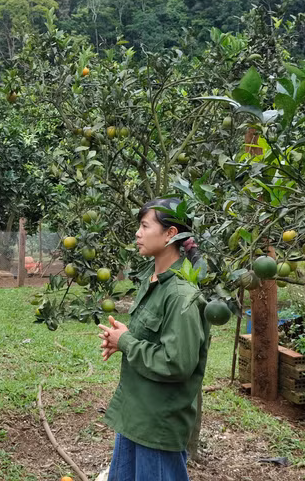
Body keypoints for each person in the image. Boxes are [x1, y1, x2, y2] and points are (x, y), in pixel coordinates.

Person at [97, 198, 210, 481]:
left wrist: (127, 343)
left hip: (158, 425)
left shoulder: (182, 295)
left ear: (170, 233)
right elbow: (154, 339)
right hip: (135, 415)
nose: (137, 232)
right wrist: (123, 337)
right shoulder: (153, 278)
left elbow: (176, 363)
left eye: (145, 226)